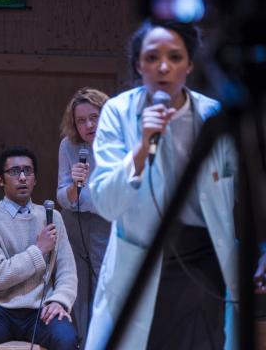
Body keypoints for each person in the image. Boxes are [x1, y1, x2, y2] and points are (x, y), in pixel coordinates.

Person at [85, 19, 266, 350]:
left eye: (175, 57)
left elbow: (254, 185)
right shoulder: (118, 112)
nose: (163, 67)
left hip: (204, 261)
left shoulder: (213, 114)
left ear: (191, 64)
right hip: (141, 256)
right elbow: (107, 204)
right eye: (152, 58)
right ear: (138, 65)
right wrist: (142, 147)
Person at [0, 146, 79, 350]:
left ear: (35, 179)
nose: (22, 177)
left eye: (28, 171)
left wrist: (60, 301)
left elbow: (67, 271)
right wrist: (38, 251)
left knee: (67, 339)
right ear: (0, 180)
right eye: (14, 171)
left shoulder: (52, 217)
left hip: (40, 308)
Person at [57, 87, 111, 348]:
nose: (88, 125)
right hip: (74, 222)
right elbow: (62, 194)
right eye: (81, 120)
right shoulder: (69, 146)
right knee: (77, 285)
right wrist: (75, 185)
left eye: (94, 117)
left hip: (107, 222)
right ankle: (82, 342)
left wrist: (93, 185)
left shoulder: (120, 145)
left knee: (105, 283)